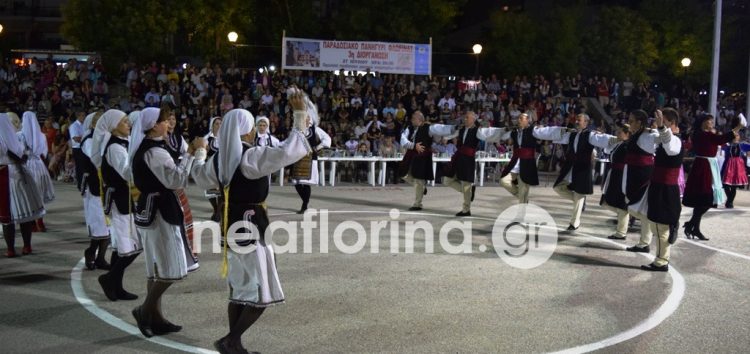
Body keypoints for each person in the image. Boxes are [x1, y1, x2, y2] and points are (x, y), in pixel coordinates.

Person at [191, 104, 311, 354]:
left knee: (239, 288)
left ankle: (234, 343)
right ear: (246, 131)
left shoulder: (219, 161)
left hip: (230, 227)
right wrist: (300, 118)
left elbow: (199, 176)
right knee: (261, 293)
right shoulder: (250, 156)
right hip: (253, 226)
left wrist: (200, 152)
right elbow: (287, 152)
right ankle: (231, 340)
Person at [129, 107, 202, 337]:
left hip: (153, 210)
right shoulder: (154, 151)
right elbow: (176, 179)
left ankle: (156, 318)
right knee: (171, 269)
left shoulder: (155, 147)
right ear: (153, 125)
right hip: (160, 212)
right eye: (163, 121)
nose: (168, 124)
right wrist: (193, 153)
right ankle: (144, 310)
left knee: (157, 269)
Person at [90, 109, 143, 301]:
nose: (129, 125)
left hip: (126, 199)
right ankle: (110, 279)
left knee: (126, 246)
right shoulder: (114, 147)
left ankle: (115, 285)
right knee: (130, 246)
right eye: (125, 122)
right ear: (113, 127)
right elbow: (127, 174)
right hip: (121, 200)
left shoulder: (123, 143)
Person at [626, 109, 683, 271]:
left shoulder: (676, 140)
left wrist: (661, 129)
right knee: (654, 223)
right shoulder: (666, 138)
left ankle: (661, 261)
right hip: (658, 186)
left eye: (662, 121)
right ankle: (659, 257)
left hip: (665, 189)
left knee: (660, 227)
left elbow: (671, 148)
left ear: (671, 123)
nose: (657, 124)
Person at [480, 113, 567, 209]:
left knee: (523, 187)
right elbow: (501, 134)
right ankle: (522, 197)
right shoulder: (514, 131)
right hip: (515, 162)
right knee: (503, 180)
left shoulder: (533, 130)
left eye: (521, 118)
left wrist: (562, 130)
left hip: (527, 163)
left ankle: (522, 208)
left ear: (527, 120)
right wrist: (486, 131)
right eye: (519, 118)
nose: (519, 120)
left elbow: (546, 131)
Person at [682, 114, 743, 240]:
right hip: (704, 167)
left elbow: (721, 139)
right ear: (703, 122)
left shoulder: (701, 134)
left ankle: (693, 226)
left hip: (706, 166)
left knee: (703, 201)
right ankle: (692, 226)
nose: (711, 123)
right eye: (709, 121)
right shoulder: (703, 135)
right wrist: (738, 127)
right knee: (706, 199)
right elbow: (722, 139)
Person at [1, 113, 45, 257]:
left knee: (8, 216)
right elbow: (19, 157)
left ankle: (11, 249)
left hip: (6, 174)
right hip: (16, 174)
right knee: (23, 213)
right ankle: (26, 246)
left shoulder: (9, 139)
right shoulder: (14, 139)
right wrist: (23, 157)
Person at [441, 111, 497, 216]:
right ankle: (470, 192)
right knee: (446, 180)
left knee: (466, 184)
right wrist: (445, 138)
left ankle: (466, 210)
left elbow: (486, 136)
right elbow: (453, 134)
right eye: (465, 117)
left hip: (468, 159)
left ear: (473, 120)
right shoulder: (462, 129)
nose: (465, 119)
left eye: (467, 118)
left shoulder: (477, 131)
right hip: (458, 157)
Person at [398, 111, 454, 211]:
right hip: (411, 153)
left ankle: (417, 204)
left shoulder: (428, 127)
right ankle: (422, 188)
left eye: (413, 118)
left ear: (419, 119)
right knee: (403, 173)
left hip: (422, 156)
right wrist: (413, 146)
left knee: (419, 179)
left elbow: (440, 128)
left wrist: (452, 128)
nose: (411, 120)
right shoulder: (409, 127)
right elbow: (403, 140)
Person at [164, 107, 199, 267]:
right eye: (168, 119)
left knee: (184, 219)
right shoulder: (159, 140)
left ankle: (187, 253)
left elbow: (187, 151)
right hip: (166, 182)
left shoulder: (177, 138)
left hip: (176, 180)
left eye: (173, 119)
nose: (171, 122)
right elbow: (188, 152)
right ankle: (174, 256)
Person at [289, 88, 331, 214]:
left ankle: (305, 205)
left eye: (307, 118)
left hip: (309, 158)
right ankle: (305, 202)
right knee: (296, 183)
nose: (305, 120)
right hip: (298, 158)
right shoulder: (296, 129)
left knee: (305, 183)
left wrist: (316, 148)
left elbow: (327, 139)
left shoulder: (315, 129)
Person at [80, 111, 112, 270]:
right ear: (93, 124)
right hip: (94, 186)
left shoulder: (106, 138)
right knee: (99, 223)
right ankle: (91, 251)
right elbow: (96, 158)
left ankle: (100, 258)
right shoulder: (89, 140)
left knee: (107, 225)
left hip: (106, 186)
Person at [591, 124, 631, 240]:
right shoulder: (619, 144)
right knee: (608, 201)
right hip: (614, 173)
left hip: (621, 175)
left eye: (620, 132)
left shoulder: (627, 145)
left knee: (620, 203)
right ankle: (623, 222)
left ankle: (621, 231)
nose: (617, 134)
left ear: (627, 134)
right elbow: (608, 149)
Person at [21, 111, 55, 232]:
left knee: (28, 194)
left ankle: (31, 223)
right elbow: (44, 153)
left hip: (26, 165)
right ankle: (40, 222)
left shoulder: (20, 135)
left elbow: (19, 152)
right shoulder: (42, 136)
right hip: (39, 166)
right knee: (39, 194)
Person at [721, 114, 749, 208]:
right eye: (734, 134)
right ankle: (729, 200)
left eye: (737, 135)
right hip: (728, 166)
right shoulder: (727, 145)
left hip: (737, 167)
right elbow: (721, 145)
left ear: (739, 137)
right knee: (724, 184)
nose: (735, 135)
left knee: (733, 186)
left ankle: (730, 202)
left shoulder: (742, 145)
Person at [205, 116, 222, 222]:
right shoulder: (207, 139)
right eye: (217, 124)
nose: (219, 125)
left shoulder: (226, 138)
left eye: (221, 124)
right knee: (210, 190)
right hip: (210, 167)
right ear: (212, 125)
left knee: (221, 190)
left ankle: (218, 212)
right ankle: (215, 209)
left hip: (222, 168)